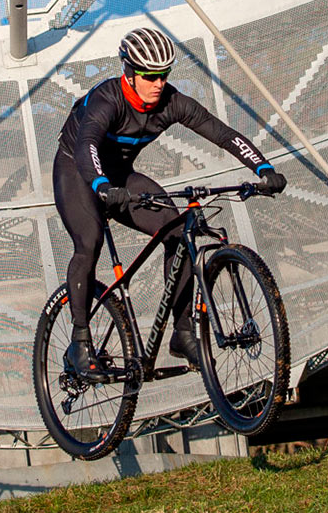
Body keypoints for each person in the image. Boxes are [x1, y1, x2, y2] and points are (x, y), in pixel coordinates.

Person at [54, 26, 285, 376]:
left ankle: (182, 331)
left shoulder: (172, 102)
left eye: (164, 75)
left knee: (177, 231)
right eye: (149, 76)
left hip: (118, 175)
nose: (158, 83)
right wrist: (100, 185)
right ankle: (80, 342)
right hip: (76, 170)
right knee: (89, 242)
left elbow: (221, 133)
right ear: (129, 73)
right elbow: (87, 143)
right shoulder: (108, 99)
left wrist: (263, 168)